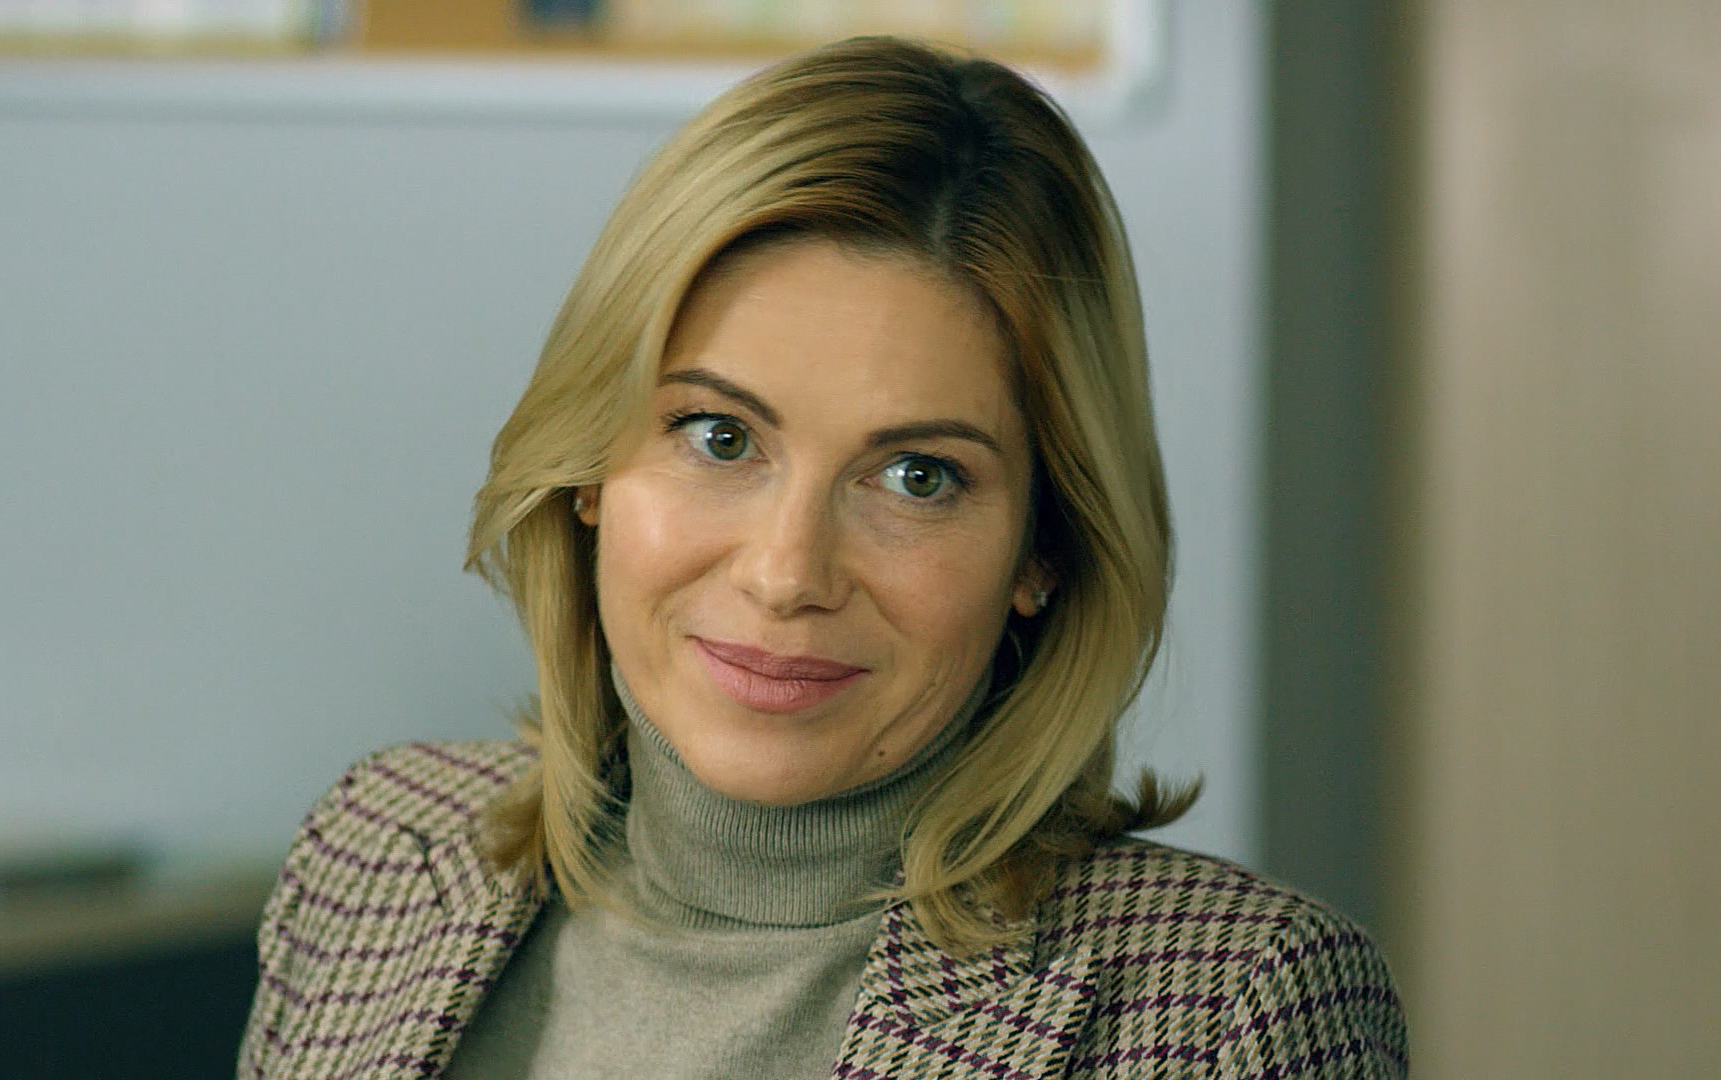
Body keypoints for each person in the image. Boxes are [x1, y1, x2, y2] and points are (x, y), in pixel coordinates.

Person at [238, 36, 1407, 1080]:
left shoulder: (1228, 1013)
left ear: (1042, 549)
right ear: (589, 465)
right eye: (720, 438)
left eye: (916, 477)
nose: (787, 573)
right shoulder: (380, 851)